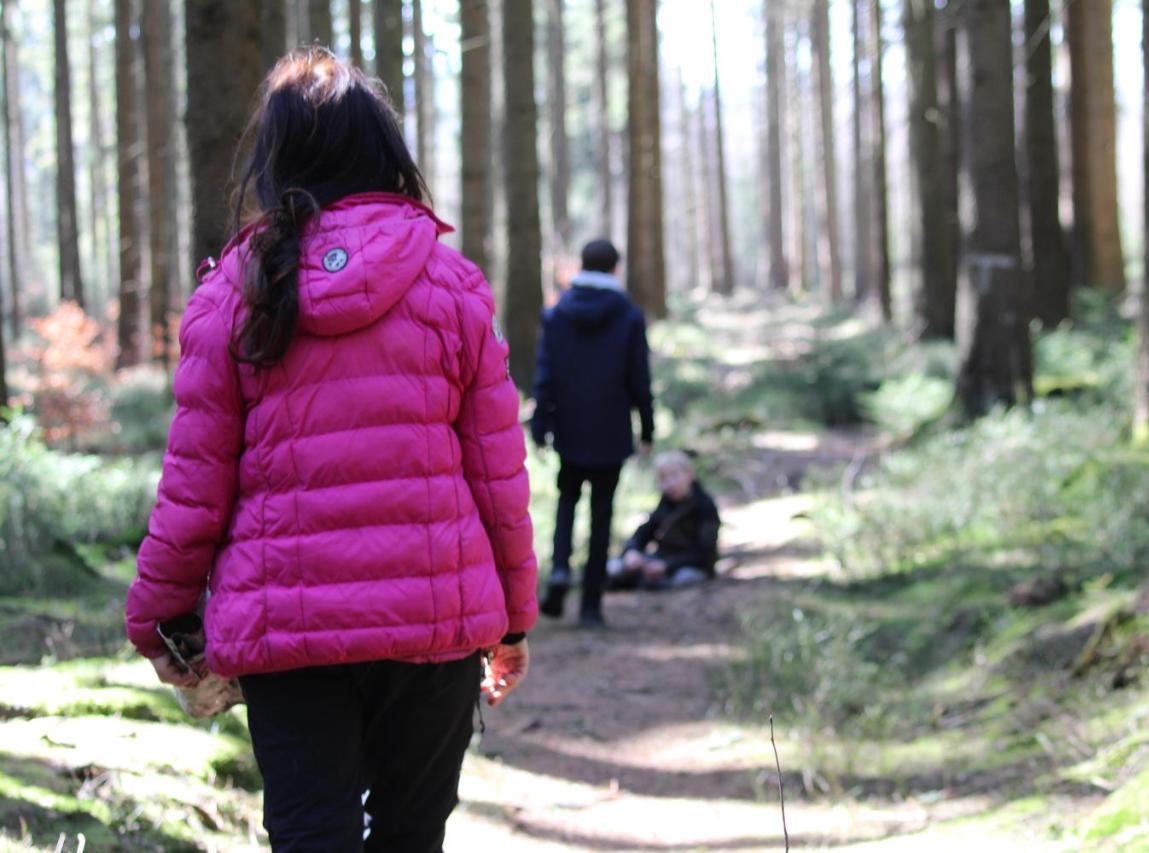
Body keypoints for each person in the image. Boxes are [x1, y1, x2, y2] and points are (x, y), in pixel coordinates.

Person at [124, 48, 537, 852]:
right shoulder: (450, 287)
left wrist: (159, 614)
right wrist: (514, 618)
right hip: (435, 622)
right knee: (412, 837)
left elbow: (194, 484)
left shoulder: (234, 293)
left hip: (288, 629)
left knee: (311, 837)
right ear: (382, 151)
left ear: (275, 159)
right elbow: (498, 473)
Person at [531, 239, 654, 628]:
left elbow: (545, 373)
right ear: (615, 269)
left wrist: (540, 423)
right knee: (602, 513)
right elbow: (639, 377)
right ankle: (590, 605)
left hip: (569, 425)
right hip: (611, 427)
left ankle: (561, 572)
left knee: (567, 501)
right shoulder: (629, 316)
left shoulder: (557, 314)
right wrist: (647, 426)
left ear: (581, 267)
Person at [608, 451, 721, 590]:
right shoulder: (666, 503)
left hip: (690, 567)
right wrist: (632, 551)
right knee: (614, 567)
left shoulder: (705, 506)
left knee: (683, 579)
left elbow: (705, 552)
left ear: (689, 474)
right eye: (664, 478)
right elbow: (645, 531)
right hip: (661, 559)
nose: (670, 484)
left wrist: (667, 566)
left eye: (674, 476)